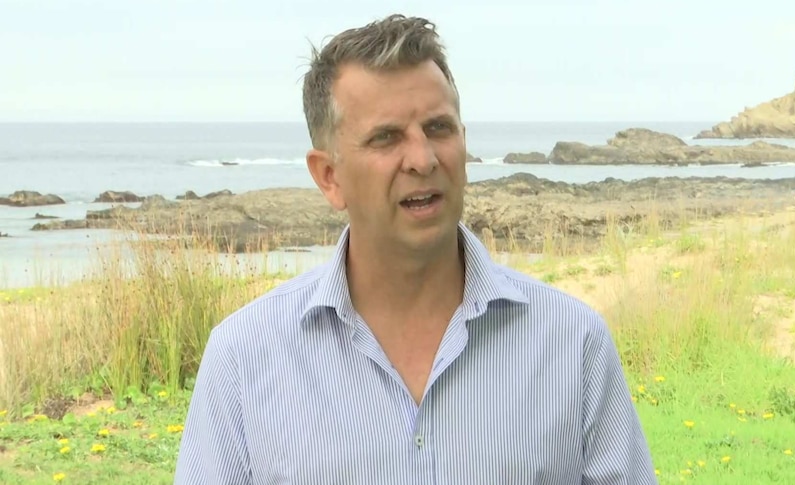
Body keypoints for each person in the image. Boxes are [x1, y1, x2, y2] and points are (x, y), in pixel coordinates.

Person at [174, 13, 656, 484]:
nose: (423, 159)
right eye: (386, 138)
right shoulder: (243, 358)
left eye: (439, 129)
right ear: (329, 176)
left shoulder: (573, 344)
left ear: (464, 143)